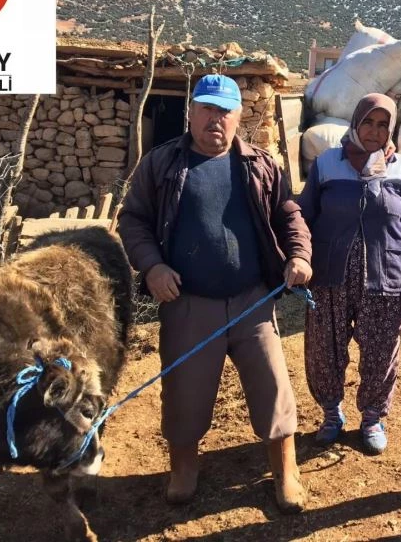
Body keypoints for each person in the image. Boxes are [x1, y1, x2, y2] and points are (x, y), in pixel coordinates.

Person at [117, 74, 312, 513]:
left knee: (273, 386)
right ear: (191, 112)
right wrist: (152, 266)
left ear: (240, 115)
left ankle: (286, 470)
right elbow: (134, 221)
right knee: (185, 394)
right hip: (187, 303)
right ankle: (184, 467)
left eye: (224, 110)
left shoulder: (260, 164)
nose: (215, 119)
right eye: (206, 108)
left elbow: (288, 214)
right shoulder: (161, 164)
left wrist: (299, 256)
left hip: (253, 301)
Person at [298, 93, 401, 455]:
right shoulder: (327, 164)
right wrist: (298, 258)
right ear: (355, 123)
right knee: (324, 351)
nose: (374, 131)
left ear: (391, 129)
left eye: (383, 124)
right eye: (368, 122)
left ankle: (372, 418)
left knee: (380, 352)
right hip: (329, 278)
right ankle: (331, 414)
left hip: (386, 279)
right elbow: (303, 218)